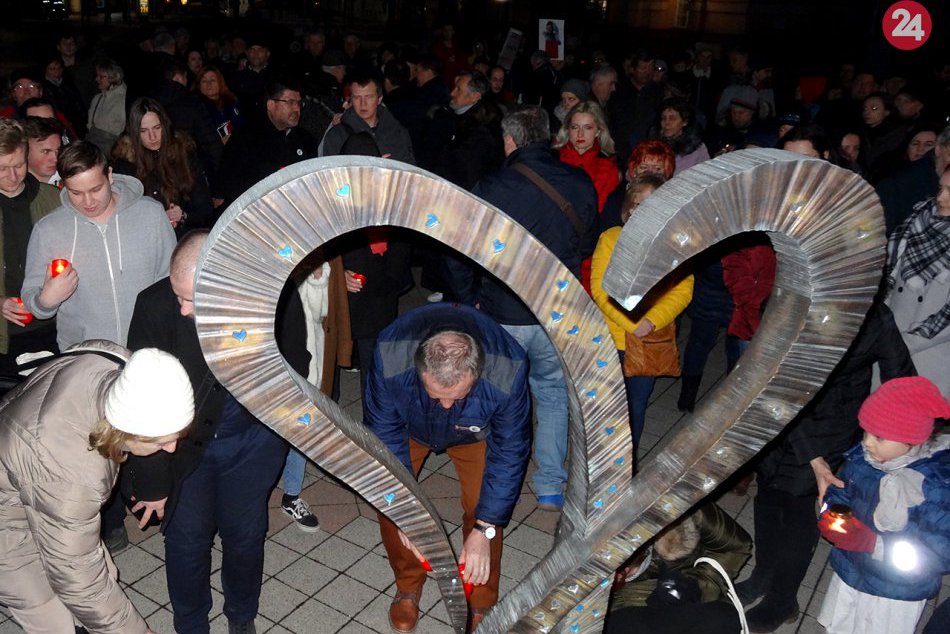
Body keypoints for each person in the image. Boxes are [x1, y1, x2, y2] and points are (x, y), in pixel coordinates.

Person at [124, 230, 309, 634]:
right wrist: (152, 481)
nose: (184, 309)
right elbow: (143, 403)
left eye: (193, 299)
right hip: (183, 450)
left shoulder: (274, 299)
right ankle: (190, 625)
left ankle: (242, 617)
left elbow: (296, 366)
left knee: (245, 536)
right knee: (186, 543)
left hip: (253, 444)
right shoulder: (154, 306)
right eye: (179, 296)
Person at [447, 106, 598, 511]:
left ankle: (498, 484)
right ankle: (550, 484)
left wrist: (468, 297)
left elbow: (459, 251)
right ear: (549, 137)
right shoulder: (580, 183)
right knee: (551, 394)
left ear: (510, 140)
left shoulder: (492, 187)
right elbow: (586, 244)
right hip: (557, 314)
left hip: (502, 314)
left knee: (500, 397)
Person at [0, 342, 194, 634]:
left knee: (105, 576)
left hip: (32, 477)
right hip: (7, 529)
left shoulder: (110, 363)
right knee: (52, 619)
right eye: (160, 440)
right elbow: (78, 577)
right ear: (128, 430)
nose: (172, 447)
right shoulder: (72, 472)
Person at [363, 302, 531, 633]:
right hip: (408, 427)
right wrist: (404, 514)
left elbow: (511, 449)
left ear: (478, 372)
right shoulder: (390, 353)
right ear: (418, 369)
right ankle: (408, 586)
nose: (446, 405)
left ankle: (482, 597)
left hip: (474, 432)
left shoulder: (507, 366)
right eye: (437, 394)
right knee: (389, 503)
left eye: (456, 395)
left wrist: (485, 528)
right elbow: (383, 439)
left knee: (483, 506)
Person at [816, 377, 950, 634]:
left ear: (912, 440)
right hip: (853, 571)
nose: (867, 442)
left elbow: (940, 553)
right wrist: (831, 513)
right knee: (841, 627)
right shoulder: (863, 459)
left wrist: (874, 545)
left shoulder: (936, 486)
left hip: (896, 591)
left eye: (879, 436)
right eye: (865, 431)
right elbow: (840, 492)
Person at [19, 140, 176, 353]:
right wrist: (46, 301)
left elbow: (170, 280)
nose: (88, 201)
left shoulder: (151, 214)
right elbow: (31, 296)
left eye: (96, 189)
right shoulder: (49, 230)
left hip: (149, 350)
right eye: (76, 193)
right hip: (85, 355)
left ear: (109, 176)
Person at [590, 174, 693, 446]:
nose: (642, 210)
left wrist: (651, 321)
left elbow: (683, 291)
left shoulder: (676, 245)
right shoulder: (611, 239)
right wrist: (631, 321)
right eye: (637, 204)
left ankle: (627, 467)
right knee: (605, 407)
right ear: (629, 207)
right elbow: (600, 289)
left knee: (636, 407)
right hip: (612, 340)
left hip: (648, 340)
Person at [606, 503, 752, 634]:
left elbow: (735, 547)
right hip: (625, 599)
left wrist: (698, 586)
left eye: (624, 568)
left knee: (717, 619)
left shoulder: (682, 511)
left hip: (688, 574)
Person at [0, 120, 61, 372]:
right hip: (6, 336)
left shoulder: (53, 199)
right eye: (3, 168)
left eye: (19, 165)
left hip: (55, 325)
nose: (13, 176)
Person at [884, 167, 950, 397]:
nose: (941, 197)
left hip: (931, 359)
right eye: (941, 188)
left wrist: (903, 342)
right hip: (889, 353)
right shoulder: (917, 219)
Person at [112, 97, 214, 235]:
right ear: (134, 133)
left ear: (165, 126)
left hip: (189, 235)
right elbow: (125, 220)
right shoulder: (125, 166)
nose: (153, 136)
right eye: (144, 131)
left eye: (157, 128)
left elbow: (205, 208)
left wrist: (183, 215)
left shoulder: (182, 153)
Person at [215, 78, 319, 210]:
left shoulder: (306, 140)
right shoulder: (246, 138)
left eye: (299, 103)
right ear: (271, 105)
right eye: (290, 102)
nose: (296, 108)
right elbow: (227, 183)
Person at [553, 101, 620, 292]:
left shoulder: (608, 169)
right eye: (575, 127)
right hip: (554, 246)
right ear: (567, 130)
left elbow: (606, 218)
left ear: (598, 131)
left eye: (587, 128)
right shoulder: (553, 161)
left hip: (590, 252)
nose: (580, 135)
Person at [319, 72, 415, 164]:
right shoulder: (336, 136)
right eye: (357, 97)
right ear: (351, 100)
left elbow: (410, 173)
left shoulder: (398, 132)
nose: (363, 103)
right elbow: (331, 176)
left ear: (379, 99)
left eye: (368, 97)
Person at [650, 97, 710, 174]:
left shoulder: (698, 149)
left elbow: (706, 176)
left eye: (672, 119)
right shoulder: (651, 146)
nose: (666, 123)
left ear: (684, 122)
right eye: (664, 118)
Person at [194, 65, 244, 145]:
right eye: (204, 81)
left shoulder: (232, 102)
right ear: (199, 85)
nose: (209, 84)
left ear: (220, 82)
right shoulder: (196, 108)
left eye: (212, 80)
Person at [86, 59, 127, 155]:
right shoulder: (97, 98)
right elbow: (90, 125)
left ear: (113, 78)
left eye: (101, 77)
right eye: (97, 76)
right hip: (93, 148)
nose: (97, 79)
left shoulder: (124, 99)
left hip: (113, 150)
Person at [21, 116, 62, 186]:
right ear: (25, 151)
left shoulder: (72, 178)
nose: (55, 159)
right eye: (46, 151)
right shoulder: (13, 187)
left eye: (58, 150)